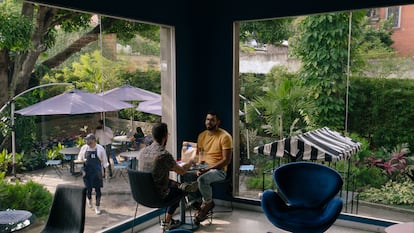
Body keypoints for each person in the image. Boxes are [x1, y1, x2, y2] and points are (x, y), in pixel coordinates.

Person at [137, 122, 198, 231]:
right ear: (165, 136)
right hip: (158, 196)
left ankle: (180, 185)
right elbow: (182, 172)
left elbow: (153, 174)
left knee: (172, 183)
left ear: (153, 135)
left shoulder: (142, 152)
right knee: (180, 192)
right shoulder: (164, 154)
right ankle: (167, 221)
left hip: (142, 195)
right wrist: (190, 161)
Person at [192, 111, 233, 224]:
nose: (209, 122)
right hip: (205, 167)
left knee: (202, 179)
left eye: (212, 120)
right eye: (207, 119)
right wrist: (198, 168)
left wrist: (207, 170)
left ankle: (208, 203)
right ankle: (195, 203)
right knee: (184, 175)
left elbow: (226, 160)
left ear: (217, 122)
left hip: (219, 170)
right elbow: (200, 156)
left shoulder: (225, 137)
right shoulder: (201, 135)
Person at [77, 133, 109, 215]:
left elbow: (105, 162)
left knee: (98, 190)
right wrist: (81, 160)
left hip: (97, 173)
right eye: (87, 141)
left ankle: (97, 206)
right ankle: (89, 198)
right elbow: (79, 158)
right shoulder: (84, 148)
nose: (88, 143)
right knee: (88, 189)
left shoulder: (100, 149)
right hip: (86, 172)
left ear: (94, 140)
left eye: (90, 142)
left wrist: (106, 174)